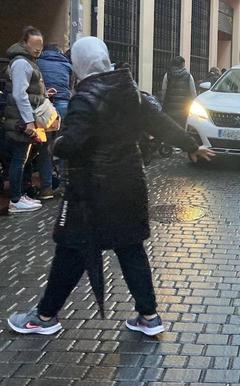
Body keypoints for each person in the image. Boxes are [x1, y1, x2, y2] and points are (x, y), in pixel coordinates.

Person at [7, 37, 215, 337]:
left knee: (71, 251)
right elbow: (160, 123)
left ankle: (44, 316)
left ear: (79, 65)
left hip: (90, 193)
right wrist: (190, 145)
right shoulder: (129, 90)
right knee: (130, 249)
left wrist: (57, 143)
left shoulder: (85, 97)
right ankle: (149, 315)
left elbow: (71, 144)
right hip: (128, 185)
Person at [3, 26, 50, 213]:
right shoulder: (22, 63)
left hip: (21, 117)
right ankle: (15, 199)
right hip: (20, 119)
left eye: (41, 45)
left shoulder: (27, 61)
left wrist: (42, 95)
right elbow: (19, 94)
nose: (39, 48)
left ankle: (20, 194)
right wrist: (29, 121)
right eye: (35, 45)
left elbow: (26, 92)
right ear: (25, 43)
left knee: (22, 158)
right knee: (19, 158)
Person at [36, 43, 73, 200]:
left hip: (45, 108)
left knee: (44, 148)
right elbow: (70, 87)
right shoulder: (67, 64)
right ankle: (65, 186)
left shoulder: (37, 63)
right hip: (64, 106)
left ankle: (46, 189)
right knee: (63, 146)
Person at [161, 56, 196, 126]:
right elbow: (193, 92)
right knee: (182, 128)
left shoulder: (167, 75)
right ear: (182, 64)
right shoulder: (188, 76)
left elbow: (164, 90)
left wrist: (163, 101)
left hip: (170, 108)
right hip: (184, 109)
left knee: (171, 127)